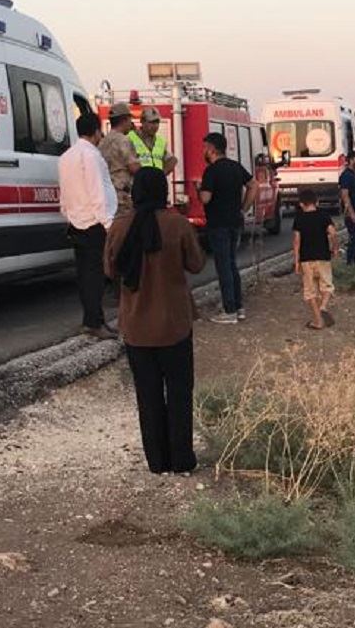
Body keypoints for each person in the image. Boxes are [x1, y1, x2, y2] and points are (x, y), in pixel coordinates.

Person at [105, 168, 205, 474]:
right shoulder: (177, 225)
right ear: (163, 192)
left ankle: (157, 461)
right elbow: (196, 264)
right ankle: (181, 459)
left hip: (136, 325)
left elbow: (110, 270)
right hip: (174, 323)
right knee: (179, 392)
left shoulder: (119, 227)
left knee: (147, 396)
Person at [59, 112, 118, 340]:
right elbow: (97, 191)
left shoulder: (66, 157)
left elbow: (64, 192)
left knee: (84, 275)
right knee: (96, 275)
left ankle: (92, 319)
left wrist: (67, 214)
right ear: (96, 131)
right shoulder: (92, 156)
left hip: (76, 221)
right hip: (94, 222)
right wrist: (108, 223)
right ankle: (95, 322)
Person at [199, 132, 253, 324]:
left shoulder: (211, 171)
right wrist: (244, 209)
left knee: (223, 267)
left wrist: (199, 189)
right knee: (231, 264)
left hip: (218, 223)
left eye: (205, 148)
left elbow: (206, 198)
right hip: (235, 222)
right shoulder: (235, 167)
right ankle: (238, 307)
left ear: (212, 149)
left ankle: (229, 310)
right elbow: (253, 185)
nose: (203, 151)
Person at [291, 188, 338, 329]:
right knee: (327, 285)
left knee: (310, 291)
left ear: (301, 204)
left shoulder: (299, 218)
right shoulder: (324, 215)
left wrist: (296, 261)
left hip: (306, 259)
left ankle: (318, 321)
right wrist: (335, 247)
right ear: (316, 202)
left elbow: (296, 241)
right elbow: (333, 233)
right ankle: (323, 306)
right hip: (323, 256)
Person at [98, 102, 141, 208]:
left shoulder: (102, 142)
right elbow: (133, 168)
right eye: (130, 119)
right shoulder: (123, 140)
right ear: (124, 120)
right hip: (121, 196)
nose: (131, 123)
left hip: (104, 195)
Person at [131, 107, 178, 176]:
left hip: (155, 181)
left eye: (157, 122)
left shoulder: (160, 141)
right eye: (151, 122)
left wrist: (161, 174)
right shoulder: (130, 138)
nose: (155, 126)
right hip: (138, 181)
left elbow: (172, 160)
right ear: (142, 121)